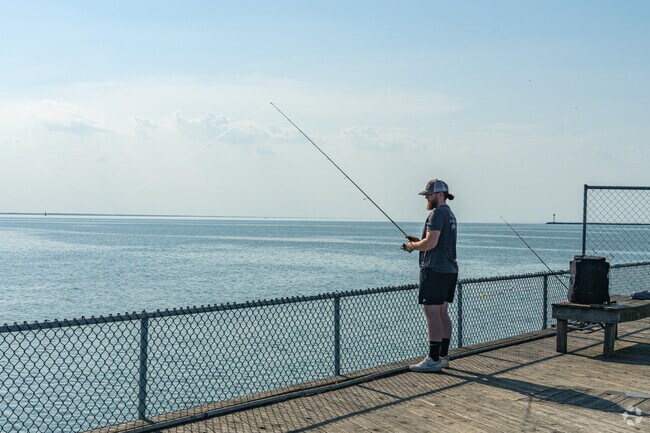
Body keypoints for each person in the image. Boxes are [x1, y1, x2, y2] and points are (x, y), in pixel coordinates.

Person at [403, 178, 458, 372]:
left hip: (434, 269)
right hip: (449, 269)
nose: (426, 197)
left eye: (429, 194)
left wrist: (412, 246)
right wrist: (420, 242)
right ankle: (443, 356)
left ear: (440, 194)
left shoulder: (436, 214)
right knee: (443, 313)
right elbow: (433, 242)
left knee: (432, 313)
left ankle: (433, 359)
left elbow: (430, 244)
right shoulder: (449, 214)